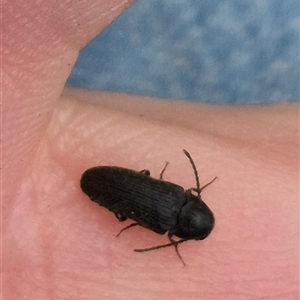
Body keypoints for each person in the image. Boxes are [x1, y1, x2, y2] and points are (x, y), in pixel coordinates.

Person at [3, 1, 298, 299]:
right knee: (123, 212)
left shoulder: (175, 194)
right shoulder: (162, 225)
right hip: (114, 191)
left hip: (118, 181)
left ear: (194, 197)